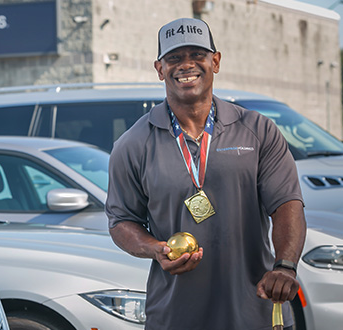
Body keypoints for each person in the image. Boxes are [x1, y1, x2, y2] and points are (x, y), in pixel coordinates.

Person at [105, 17, 306, 330]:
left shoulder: (257, 130)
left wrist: (285, 265)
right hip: (175, 317)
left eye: (197, 55)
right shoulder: (133, 144)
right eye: (174, 57)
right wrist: (155, 249)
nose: (186, 65)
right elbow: (121, 222)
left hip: (256, 311)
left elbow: (287, 204)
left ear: (215, 61)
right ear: (159, 69)